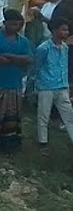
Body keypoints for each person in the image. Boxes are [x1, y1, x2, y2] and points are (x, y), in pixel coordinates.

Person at [0, 10, 32, 153]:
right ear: (4, 23)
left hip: (15, 83)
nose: (15, 27)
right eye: (12, 24)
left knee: (13, 114)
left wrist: (9, 56)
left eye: (18, 24)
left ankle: (10, 143)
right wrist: (18, 59)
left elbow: (29, 59)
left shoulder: (23, 41)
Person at [34, 19, 73, 148]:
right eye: (63, 29)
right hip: (46, 86)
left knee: (69, 115)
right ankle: (43, 141)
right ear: (54, 30)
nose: (66, 32)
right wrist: (36, 85)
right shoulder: (43, 48)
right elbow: (36, 67)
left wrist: (66, 85)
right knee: (43, 115)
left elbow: (64, 67)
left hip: (61, 86)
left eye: (67, 30)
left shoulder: (65, 47)